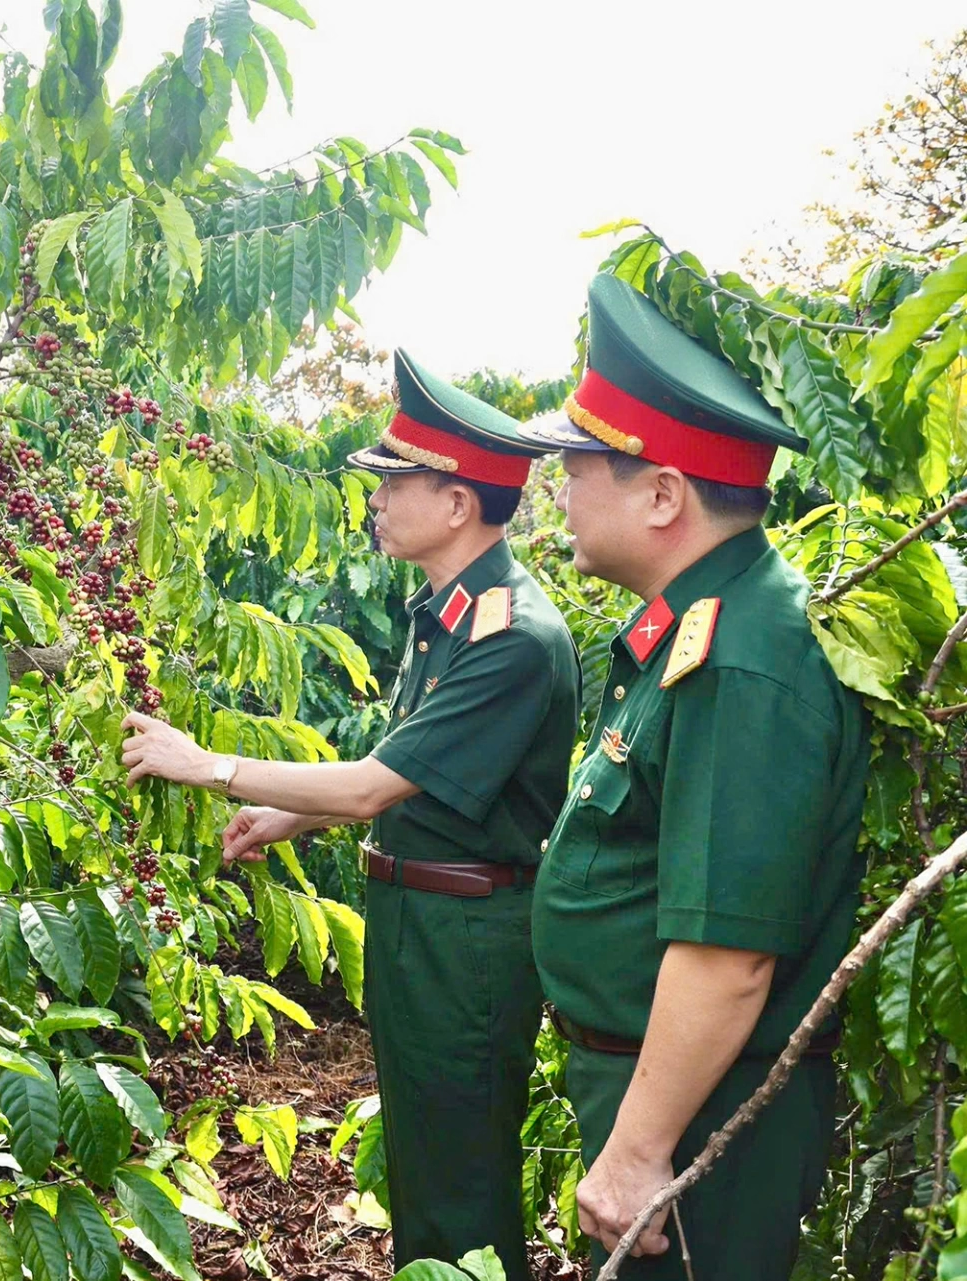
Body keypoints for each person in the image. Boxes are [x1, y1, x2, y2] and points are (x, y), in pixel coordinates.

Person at [120, 350, 577, 1278]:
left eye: (394, 481)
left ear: (456, 503)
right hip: (422, 922)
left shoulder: (514, 637)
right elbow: (409, 772)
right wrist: (293, 816)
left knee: (459, 1183)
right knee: (423, 1166)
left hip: (467, 938)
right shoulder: (449, 613)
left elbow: (373, 785)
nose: (374, 498)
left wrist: (207, 766)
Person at [516, 272, 868, 1279]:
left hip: (692, 1116)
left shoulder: (742, 658)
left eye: (583, 465)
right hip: (655, 1092)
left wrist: (634, 1153)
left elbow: (728, 957)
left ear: (664, 493)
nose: (561, 488)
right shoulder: (693, 633)